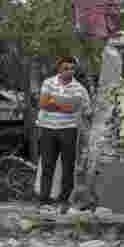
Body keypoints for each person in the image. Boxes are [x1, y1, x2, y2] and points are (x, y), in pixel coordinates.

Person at [37, 56, 91, 211]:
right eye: (65, 68)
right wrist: (67, 106)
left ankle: (64, 199)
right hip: (47, 128)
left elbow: (86, 110)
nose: (69, 71)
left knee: (68, 166)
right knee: (47, 164)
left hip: (69, 129)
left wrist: (54, 102)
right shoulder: (48, 83)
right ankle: (44, 200)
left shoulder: (79, 89)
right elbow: (43, 104)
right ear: (59, 69)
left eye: (71, 68)